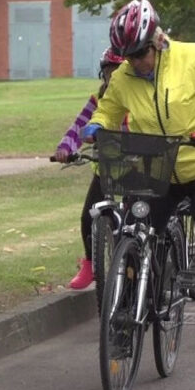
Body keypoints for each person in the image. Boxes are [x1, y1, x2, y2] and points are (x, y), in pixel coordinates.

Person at [83, 0, 195, 381]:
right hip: (155, 170)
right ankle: (127, 321)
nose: (135, 62)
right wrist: (96, 125)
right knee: (133, 235)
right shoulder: (125, 76)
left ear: (158, 39)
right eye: (127, 56)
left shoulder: (194, 59)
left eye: (140, 53)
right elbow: (107, 109)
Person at [55, 48, 126, 290]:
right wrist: (65, 147)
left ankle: (132, 265)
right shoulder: (97, 101)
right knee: (88, 216)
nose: (113, 76)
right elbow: (78, 127)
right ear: (103, 74)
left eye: (118, 71)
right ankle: (90, 264)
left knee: (134, 219)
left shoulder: (137, 98)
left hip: (137, 169)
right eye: (109, 71)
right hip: (106, 169)